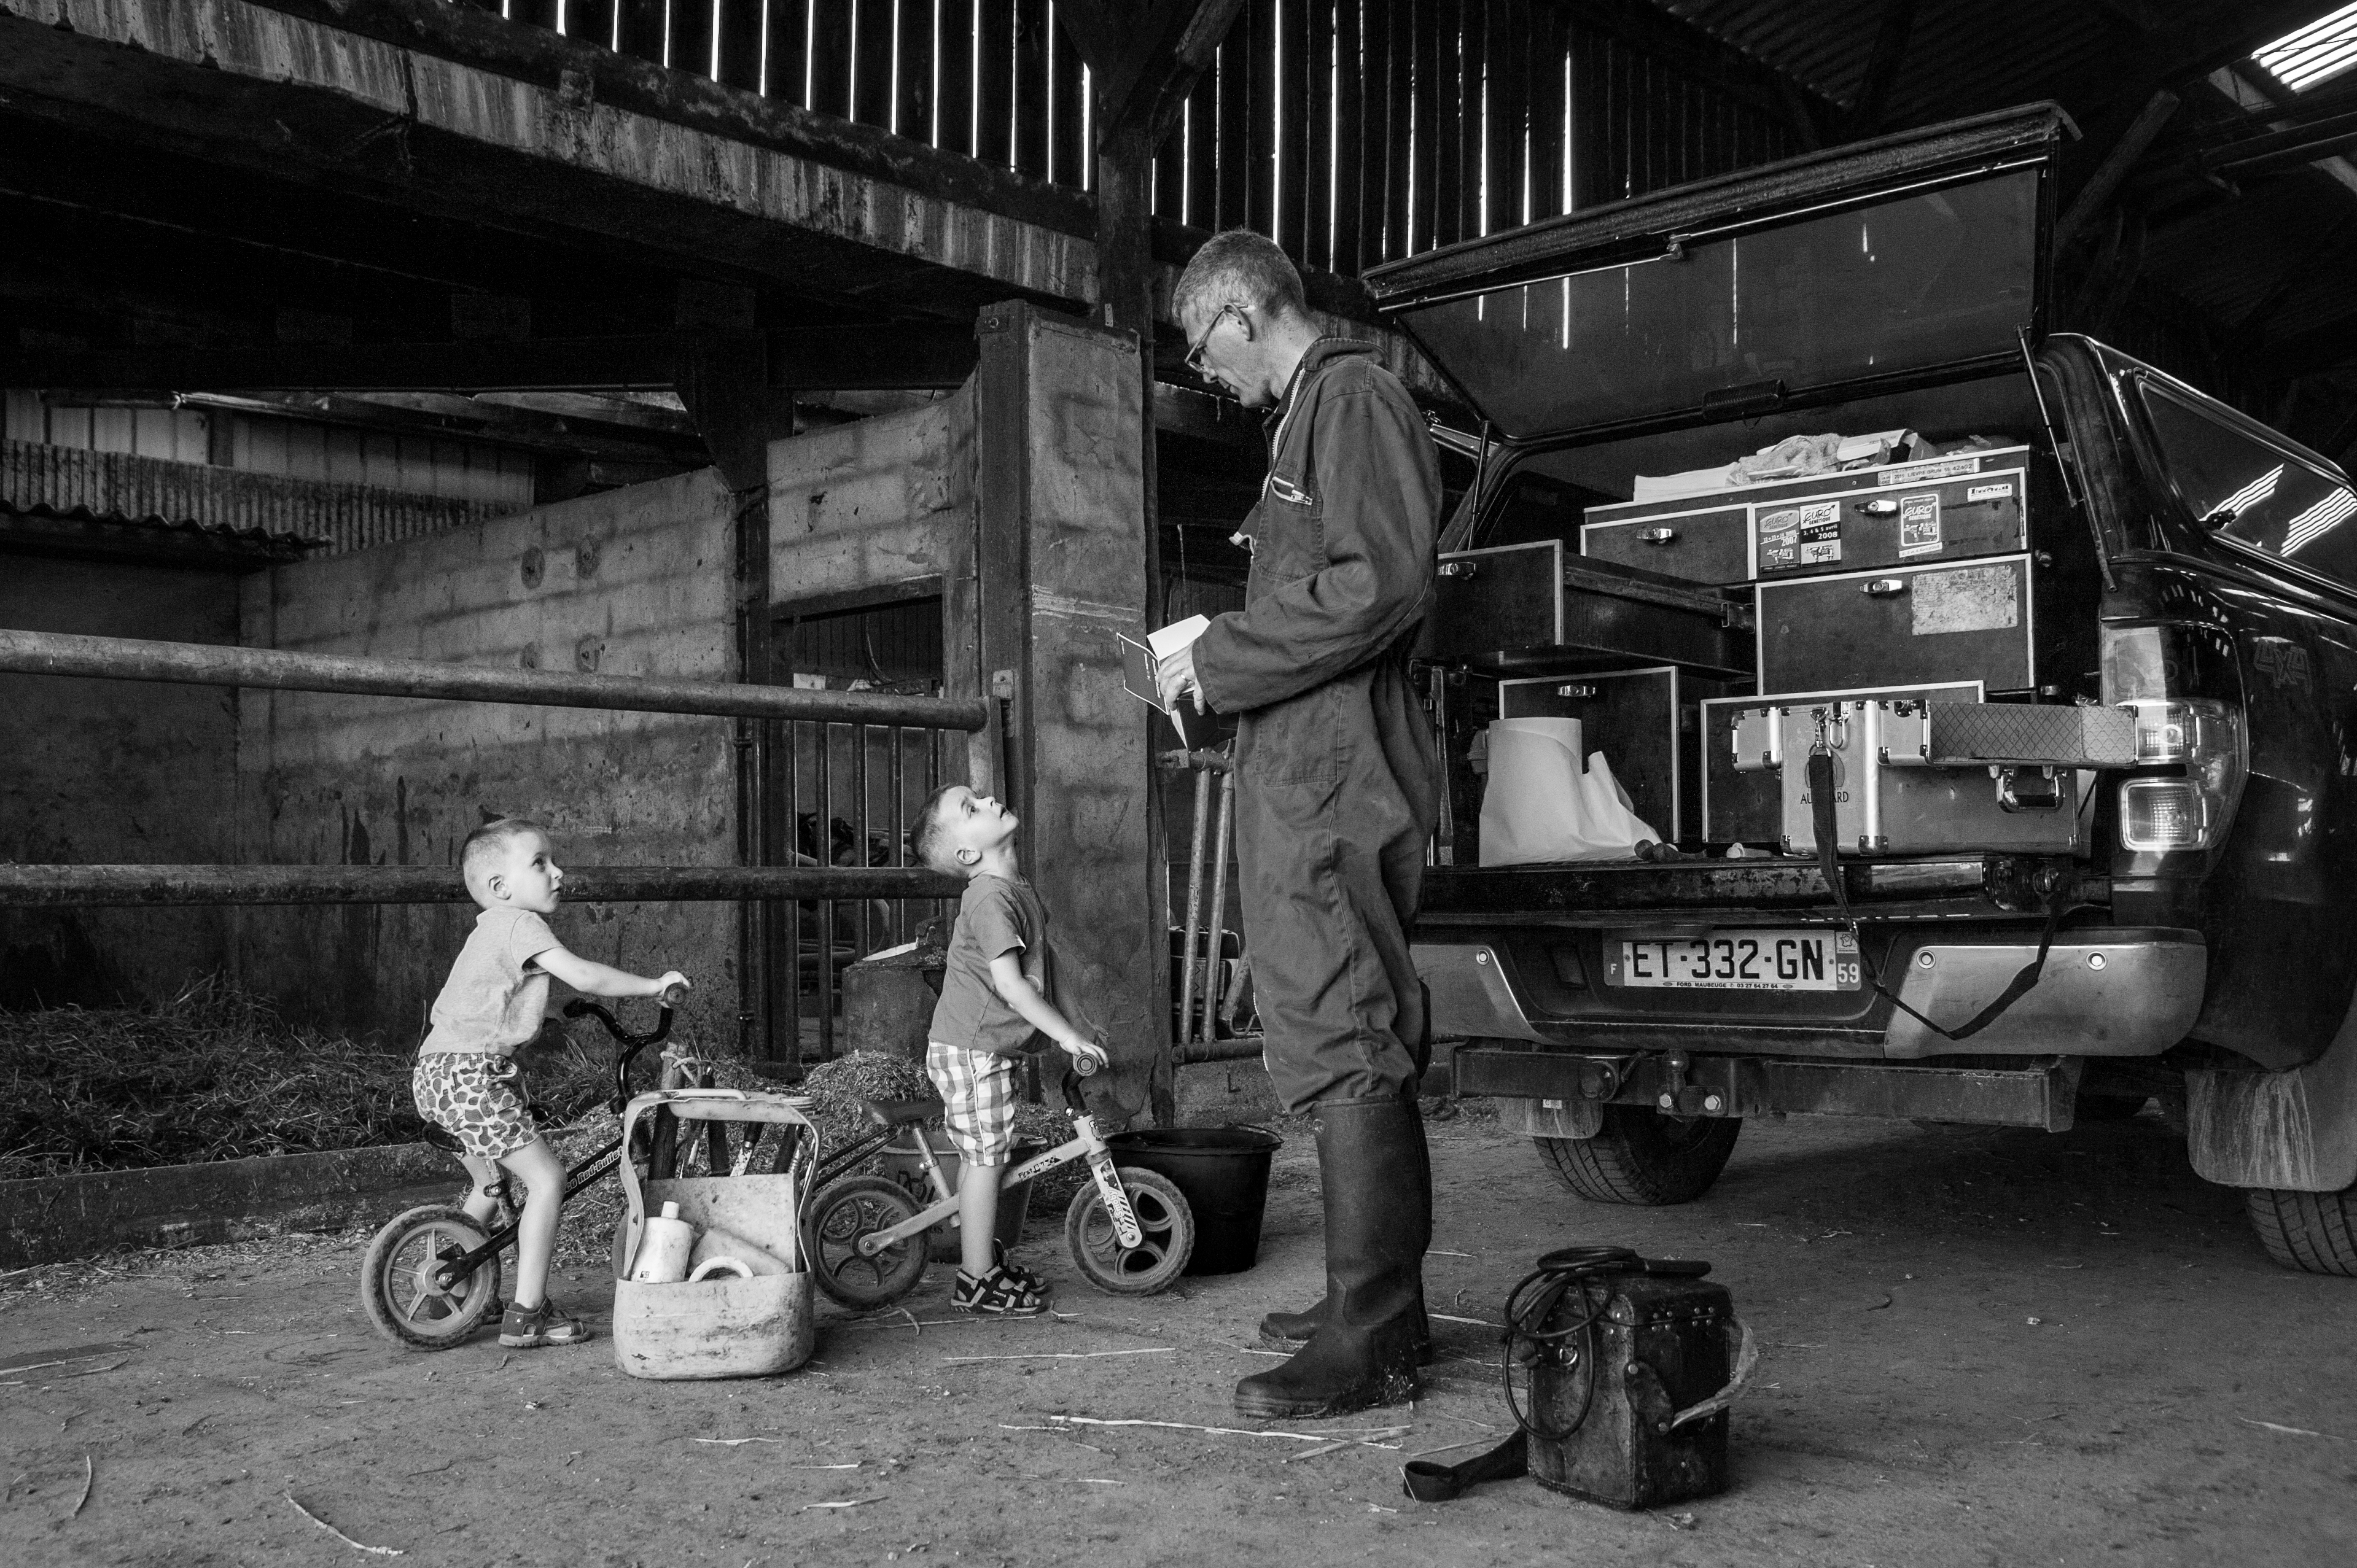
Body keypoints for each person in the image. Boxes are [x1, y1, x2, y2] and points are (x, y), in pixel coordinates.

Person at [1155, 229, 1442, 1419]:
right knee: (1317, 1025)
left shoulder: (1353, 396)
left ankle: (1371, 1335)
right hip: (1305, 766)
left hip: (1339, 775)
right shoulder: (1307, 421)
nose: (1201, 367)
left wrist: (1213, 654)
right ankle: (1363, 1302)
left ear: (1237, 308)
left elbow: (1382, 585)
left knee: (1346, 1022)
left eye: (1196, 341)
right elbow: (1327, 597)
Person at [413, 817, 690, 1349]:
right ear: (502, 888)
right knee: (546, 1182)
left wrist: (552, 1012)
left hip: (436, 1074)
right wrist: (656, 984)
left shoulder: (489, 931)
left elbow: (507, 994)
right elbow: (585, 976)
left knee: (489, 1186)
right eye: (540, 863)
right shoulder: (518, 924)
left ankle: (455, 1277)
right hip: (473, 1077)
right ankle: (528, 1313)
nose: (557, 871)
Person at [911, 783, 1110, 1315]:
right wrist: (1066, 1037)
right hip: (970, 1048)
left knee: (993, 1150)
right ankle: (975, 1280)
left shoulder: (1016, 886)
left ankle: (987, 1265)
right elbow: (1012, 986)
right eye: (970, 808)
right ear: (968, 854)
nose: (987, 799)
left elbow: (1048, 968)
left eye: (977, 795)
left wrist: (1080, 1025)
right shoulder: (991, 897)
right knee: (986, 1158)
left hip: (984, 1047)